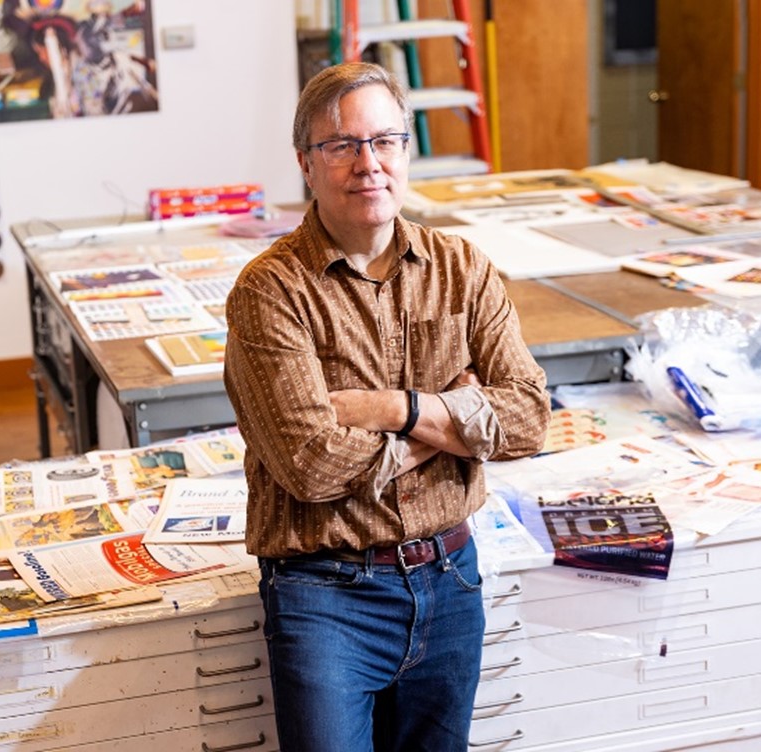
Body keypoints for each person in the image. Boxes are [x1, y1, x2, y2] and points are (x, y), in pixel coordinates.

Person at [223, 61, 551, 751]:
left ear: (407, 151)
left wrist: (391, 408)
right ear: (306, 164)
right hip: (325, 596)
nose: (368, 163)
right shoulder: (270, 292)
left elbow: (526, 417)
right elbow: (311, 466)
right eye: (342, 145)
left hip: (451, 577)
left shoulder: (463, 267)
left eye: (385, 141)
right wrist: (454, 417)